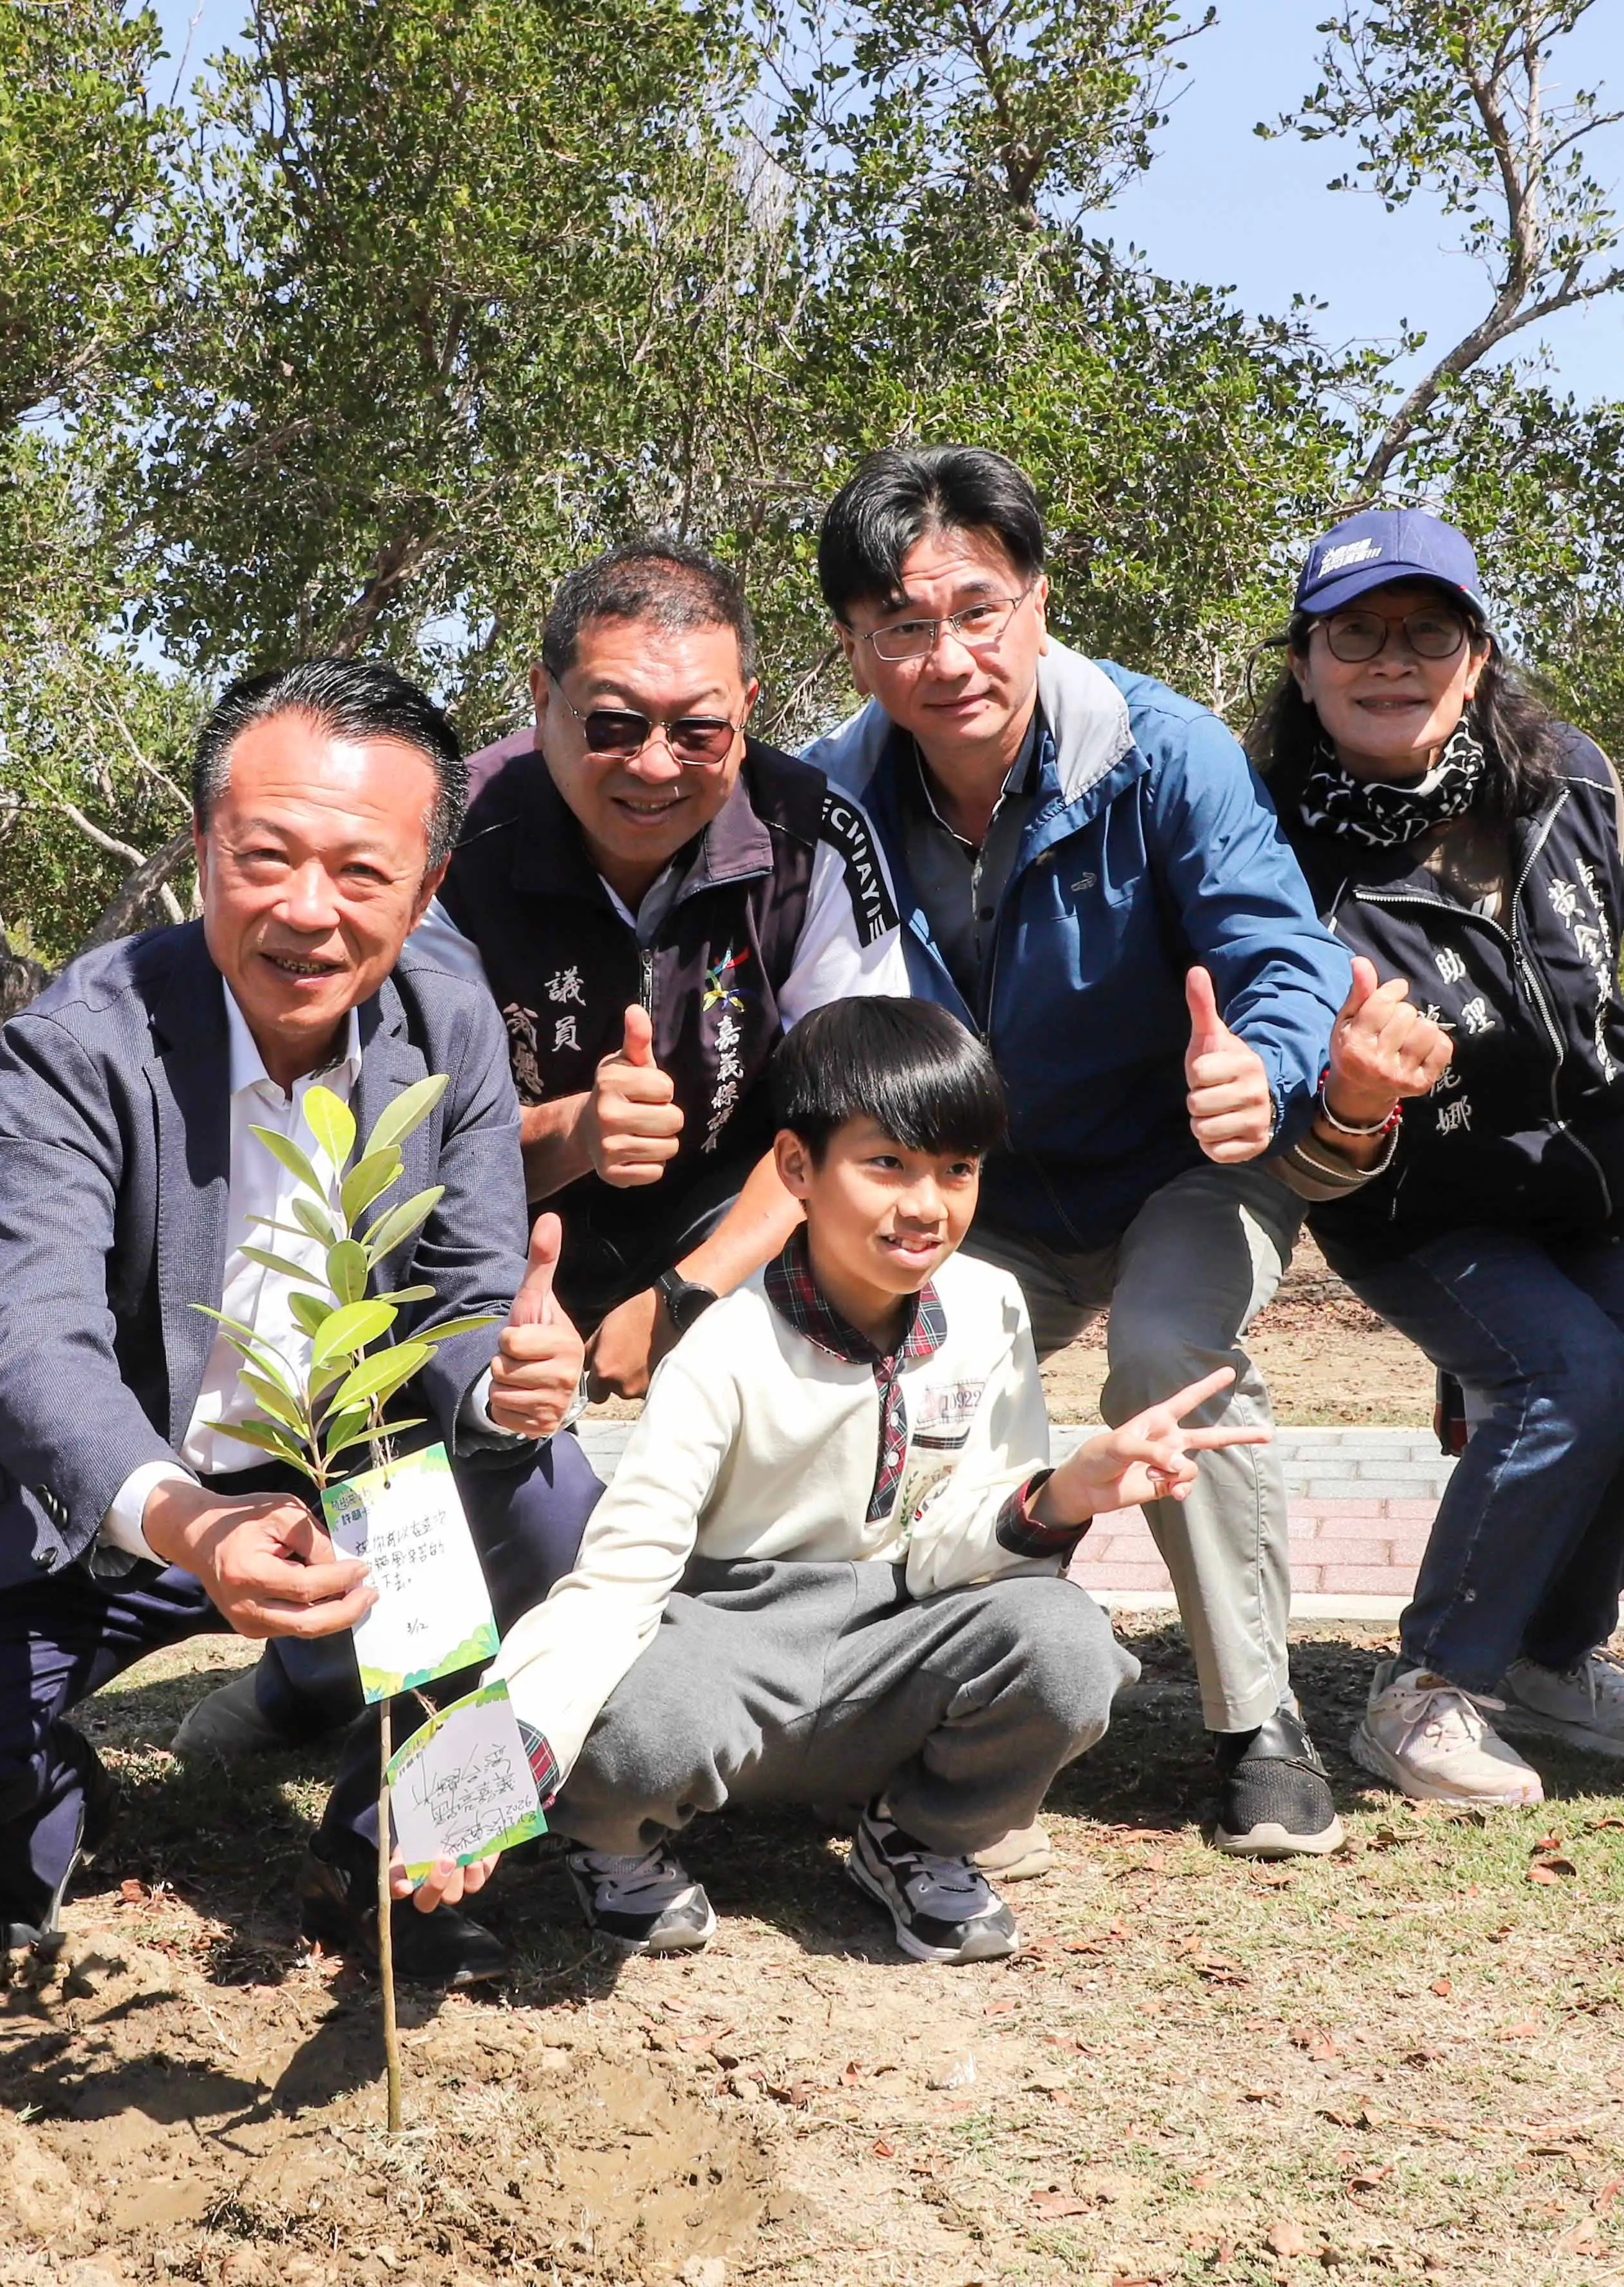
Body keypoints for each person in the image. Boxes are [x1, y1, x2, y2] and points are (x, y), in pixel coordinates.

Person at [0, 658, 599, 1989]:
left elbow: (466, 1300)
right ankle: (37, 1827)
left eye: (361, 873)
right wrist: (187, 1519)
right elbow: (30, 1341)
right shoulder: (83, 1040)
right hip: (112, 1509)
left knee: (549, 1497)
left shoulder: (446, 1021)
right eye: (266, 857)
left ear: (426, 888)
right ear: (202, 849)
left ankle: (387, 1855)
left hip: (350, 1488)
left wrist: (506, 1379)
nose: (307, 912)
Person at [172, 542, 912, 1767]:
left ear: (751, 714)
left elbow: (854, 1130)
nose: (657, 764)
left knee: (846, 1307)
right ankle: (339, 1692)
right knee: (428, 1430)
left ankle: (718, 1702)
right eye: (614, 724)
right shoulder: (444, 841)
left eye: (699, 729)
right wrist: (574, 1130)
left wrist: (683, 1298)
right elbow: (396, 1153)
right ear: (541, 697)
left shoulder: (813, 835)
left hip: (730, 1223)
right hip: (485, 1219)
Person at [805, 446, 1364, 1858]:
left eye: (978, 610)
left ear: (1039, 603)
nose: (948, 656)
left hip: (1185, 1158)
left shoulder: (1166, 752)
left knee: (1172, 1354)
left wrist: (1267, 1064)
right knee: (925, 1354)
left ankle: (1257, 1722)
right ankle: (946, 1703)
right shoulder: (827, 801)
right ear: (856, 646)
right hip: (975, 1189)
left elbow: (1279, 953)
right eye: (902, 626)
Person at [490, 998, 1251, 1962]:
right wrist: (518, 1743)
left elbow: (953, 1543)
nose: (927, 1206)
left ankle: (916, 1836)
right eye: (886, 1163)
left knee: (1067, 1644)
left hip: (892, 1640)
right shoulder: (723, 1344)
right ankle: (606, 1839)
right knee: (638, 1732)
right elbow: (618, 1582)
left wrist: (1059, 1495)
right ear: (799, 1169)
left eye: (958, 1170)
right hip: (727, 1650)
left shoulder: (990, 1307)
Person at [1254, 509, 1624, 1806]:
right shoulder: (1266, 840)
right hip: (1419, 1200)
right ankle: (1430, 1693)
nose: (1393, 660)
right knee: (1570, 1381)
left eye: (1428, 631)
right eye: (1356, 634)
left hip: (1607, 1178)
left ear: (1479, 652)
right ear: (1305, 663)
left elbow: (1594, 981)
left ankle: (1552, 1658)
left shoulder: (1572, 777)